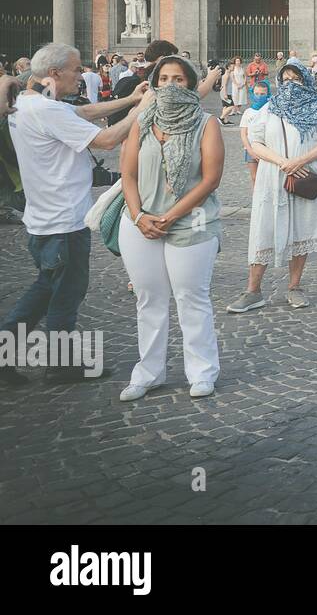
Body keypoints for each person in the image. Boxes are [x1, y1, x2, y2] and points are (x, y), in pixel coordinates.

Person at [0, 43, 151, 386]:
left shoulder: (30, 102)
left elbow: (83, 114)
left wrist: (130, 100)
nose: (80, 73)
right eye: (74, 68)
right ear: (54, 74)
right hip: (63, 221)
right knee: (65, 294)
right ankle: (61, 366)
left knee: (44, 289)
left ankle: (5, 356)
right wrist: (142, 111)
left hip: (43, 220)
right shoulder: (48, 111)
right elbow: (107, 139)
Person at [117, 56, 223, 402]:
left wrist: (171, 216)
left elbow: (210, 179)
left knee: (191, 298)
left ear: (191, 84)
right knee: (148, 300)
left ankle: (202, 371)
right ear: (154, 82)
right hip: (140, 222)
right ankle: (149, 372)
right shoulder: (142, 122)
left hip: (190, 221)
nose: (170, 85)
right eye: (163, 78)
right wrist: (138, 216)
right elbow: (127, 175)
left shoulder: (206, 123)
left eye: (178, 79)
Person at [230, 58, 317, 312]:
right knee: (264, 229)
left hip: (304, 174)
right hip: (273, 177)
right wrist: (283, 162)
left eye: (295, 78)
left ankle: (294, 287)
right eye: (286, 79)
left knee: (302, 230)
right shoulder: (269, 108)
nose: (290, 84)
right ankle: (253, 291)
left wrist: (300, 161)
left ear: (305, 79)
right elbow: (256, 143)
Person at [239, 79, 271, 188]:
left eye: (262, 94)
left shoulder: (271, 110)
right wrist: (250, 150)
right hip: (251, 149)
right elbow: (244, 133)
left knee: (267, 178)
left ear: (268, 94)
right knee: (255, 177)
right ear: (253, 94)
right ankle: (256, 203)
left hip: (268, 149)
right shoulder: (248, 112)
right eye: (257, 94)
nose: (259, 96)